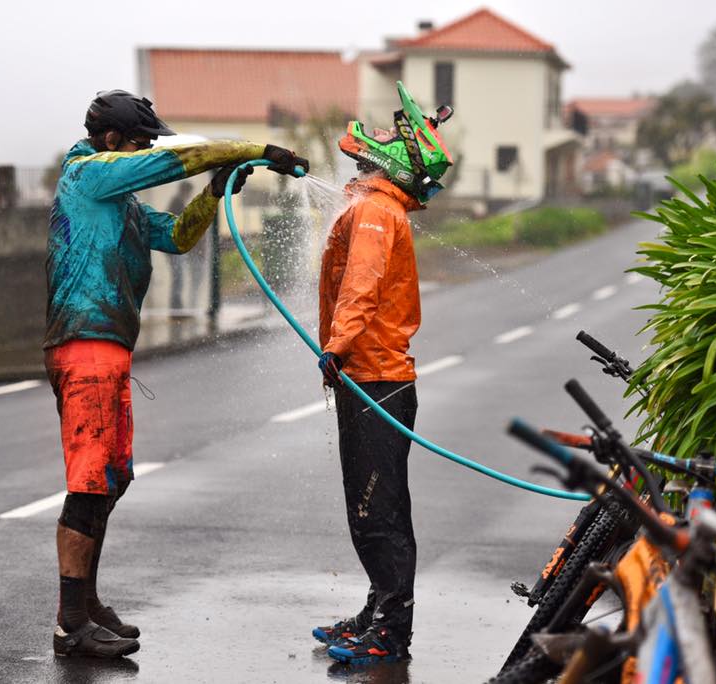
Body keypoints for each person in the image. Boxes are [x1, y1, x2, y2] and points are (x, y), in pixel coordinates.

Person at [45, 89, 308, 658]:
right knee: (88, 484)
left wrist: (215, 192)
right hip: (83, 346)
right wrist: (253, 150)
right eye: (138, 143)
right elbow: (174, 160)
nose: (144, 153)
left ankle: (86, 602)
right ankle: (70, 623)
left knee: (112, 480)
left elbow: (180, 237)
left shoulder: (125, 206)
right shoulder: (88, 175)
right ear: (112, 141)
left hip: (111, 349)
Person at [314, 81, 454, 666]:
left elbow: (362, 287)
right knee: (372, 508)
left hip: (374, 380)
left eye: (395, 136)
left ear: (399, 161)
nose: (380, 136)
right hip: (370, 380)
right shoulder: (375, 204)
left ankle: (391, 633)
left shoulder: (374, 210)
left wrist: (337, 347)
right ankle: (377, 611)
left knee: (379, 512)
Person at [167, 180, 196, 310]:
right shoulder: (177, 203)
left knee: (178, 276)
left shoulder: (177, 202)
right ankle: (176, 305)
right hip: (174, 246)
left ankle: (177, 304)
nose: (189, 195)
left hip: (174, 246)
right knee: (178, 276)